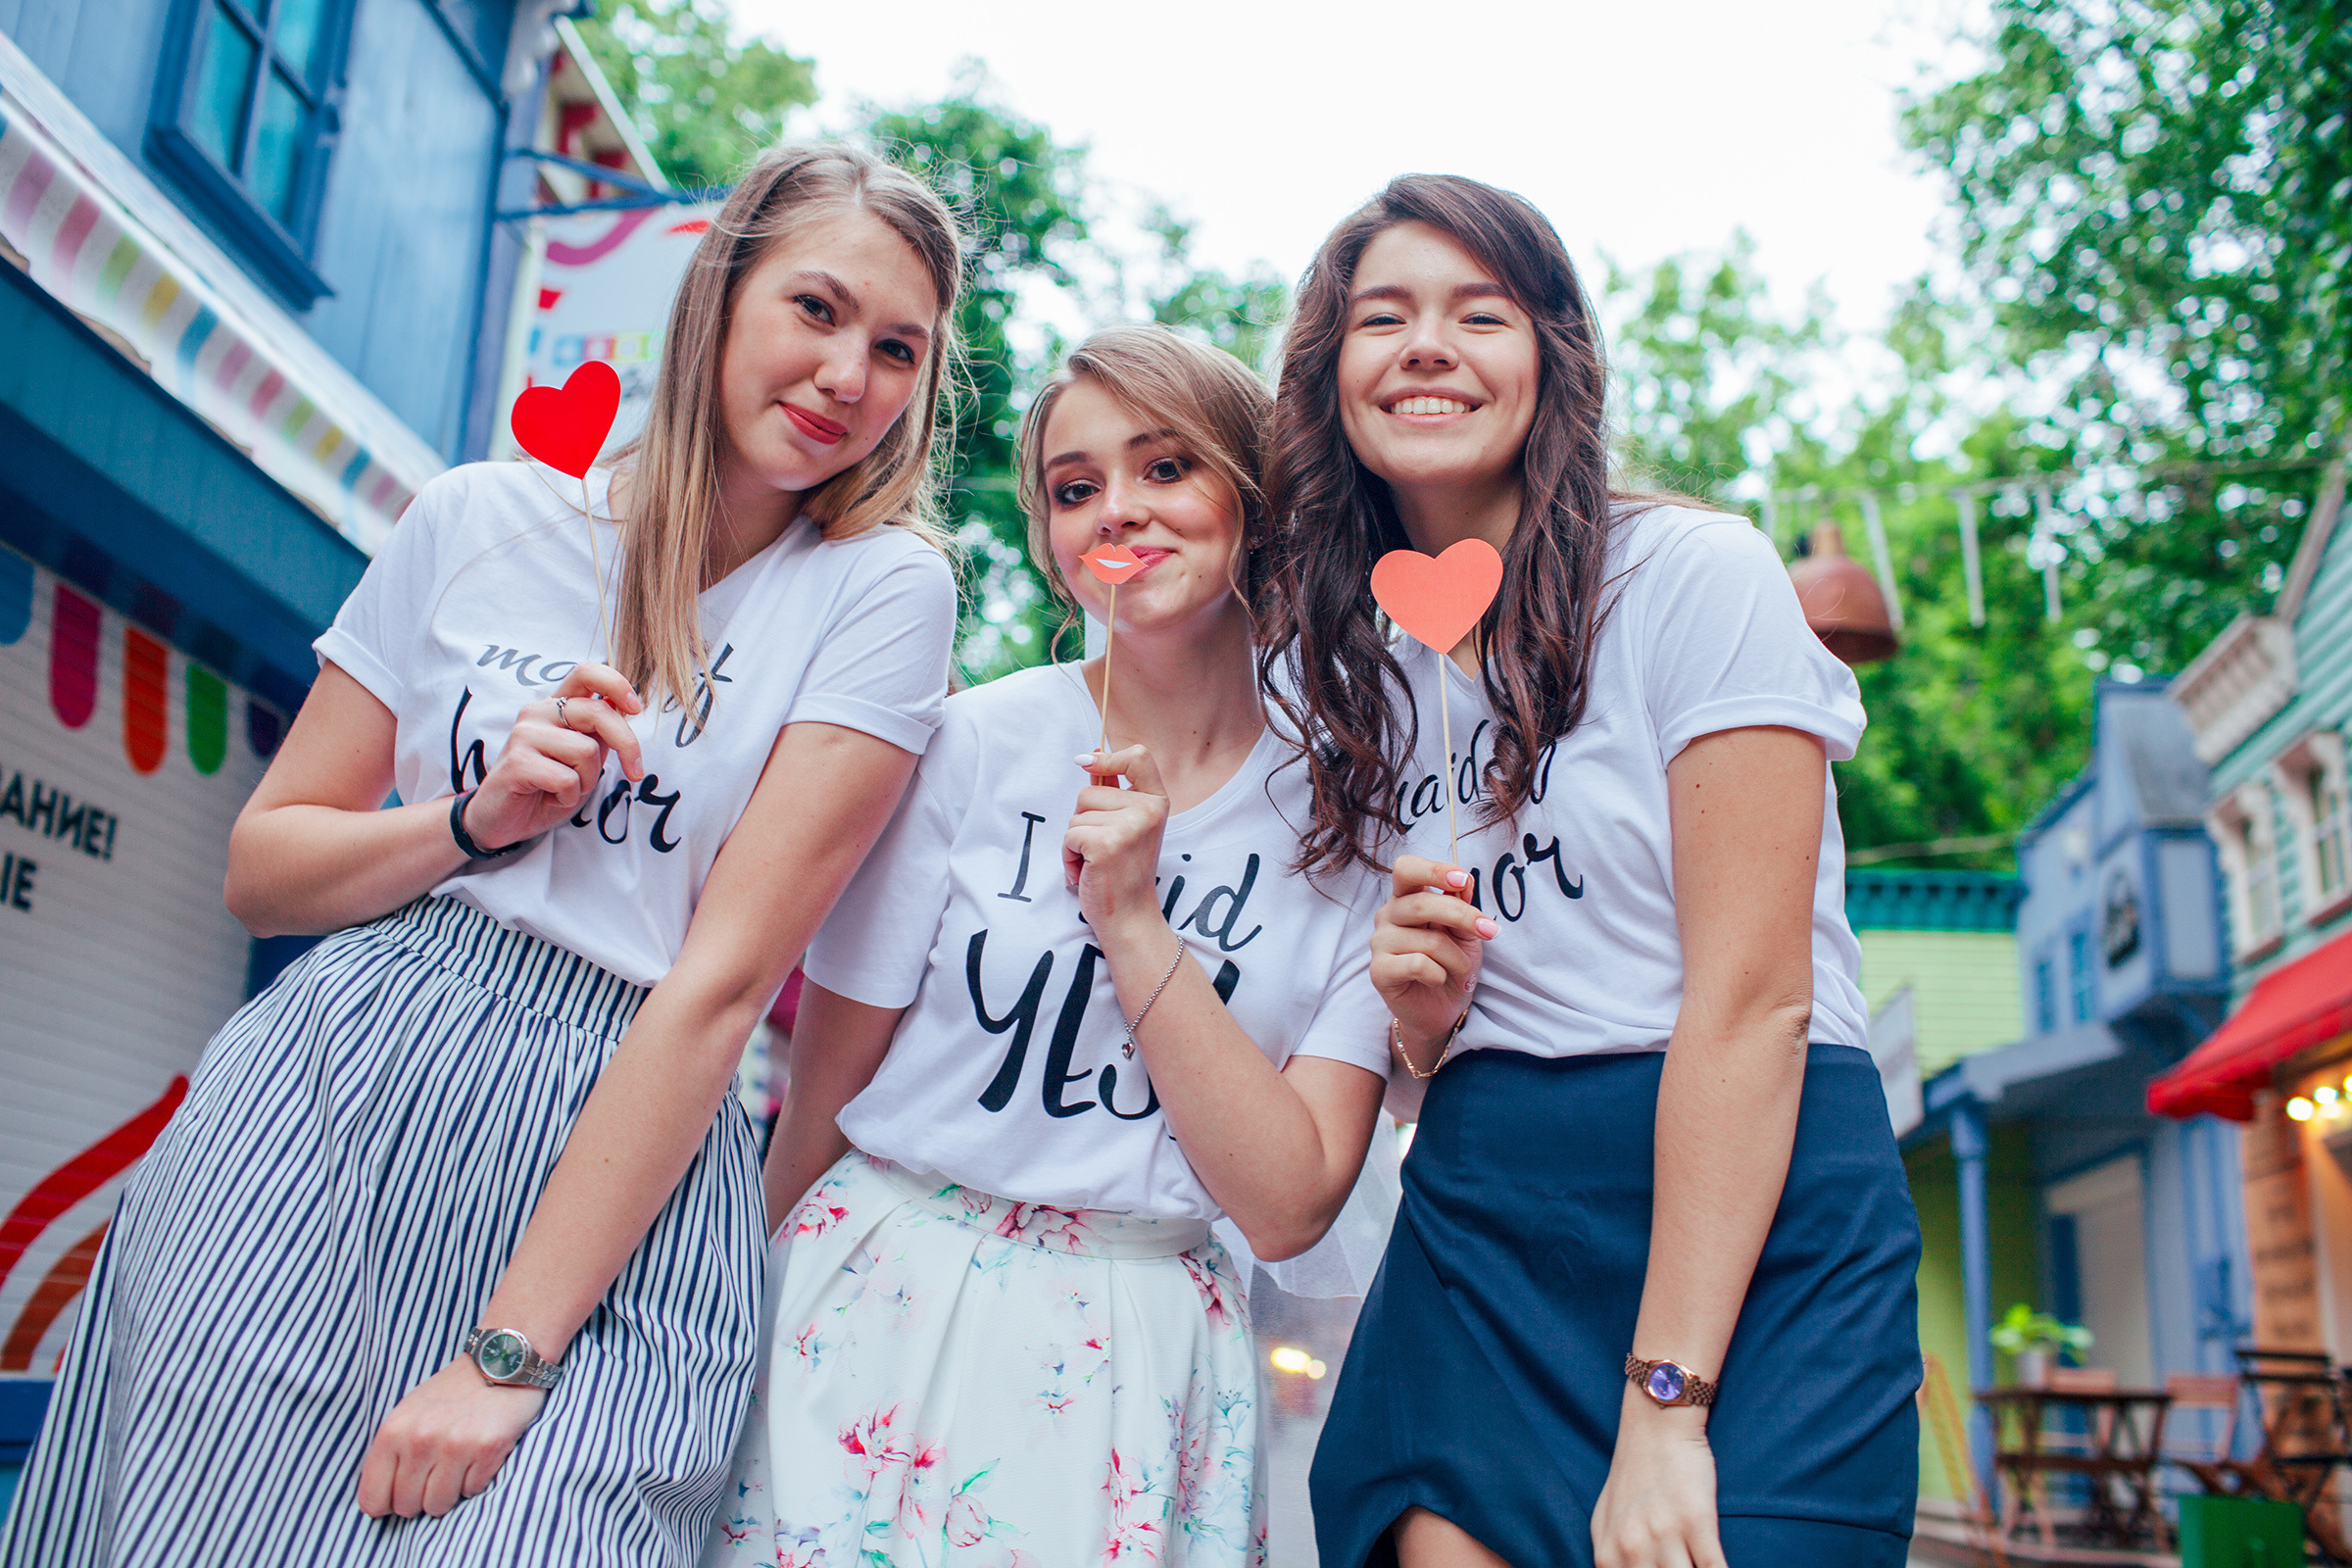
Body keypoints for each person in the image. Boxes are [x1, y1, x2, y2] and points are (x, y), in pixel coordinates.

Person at [1, 144, 966, 1568]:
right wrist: (474, 819)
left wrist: (508, 1355)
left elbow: (721, 986)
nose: (848, 375)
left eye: (898, 349)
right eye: (816, 310)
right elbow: (263, 868)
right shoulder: (474, 520)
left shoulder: (882, 591)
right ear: (719, 292)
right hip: (333, 1101)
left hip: (630, 1122)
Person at [1270, 176, 1922, 1568]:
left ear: (1552, 359)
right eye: (1382, 318)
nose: (1427, 346)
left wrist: (1666, 1408)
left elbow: (1756, 1003)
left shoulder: (1692, 575)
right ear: (1333, 379)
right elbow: (1404, 1035)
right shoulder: (1343, 672)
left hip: (1759, 1186)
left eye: (1479, 313)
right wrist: (1420, 1018)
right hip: (1490, 1207)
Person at [707, 325, 1394, 1568]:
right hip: (877, 1290)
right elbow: (827, 1096)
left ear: (1257, 497)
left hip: (1138, 1348)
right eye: (1075, 490)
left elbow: (1291, 1202)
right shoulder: (969, 746)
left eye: (1166, 466)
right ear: (1047, 542)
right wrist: (741, 1319)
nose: (1117, 511)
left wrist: (1132, 918)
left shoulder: (1348, 825)